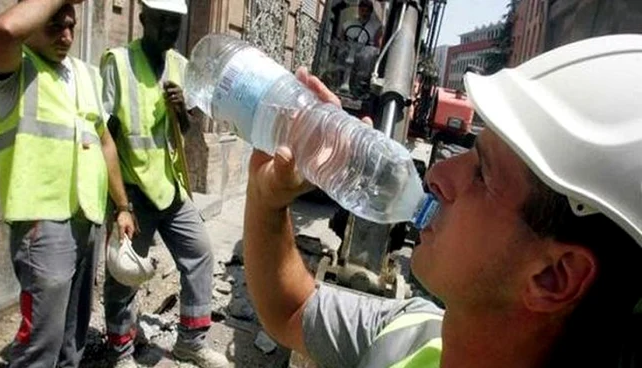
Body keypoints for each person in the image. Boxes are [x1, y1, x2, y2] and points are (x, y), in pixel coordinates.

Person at [243, 34, 642, 368]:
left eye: (483, 175)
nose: (436, 176)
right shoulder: (412, 331)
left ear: (553, 276)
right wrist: (267, 198)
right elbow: (291, 311)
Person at [0, 0, 136, 367]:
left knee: (72, 337)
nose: (65, 36)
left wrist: (122, 207)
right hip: (42, 224)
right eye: (53, 26)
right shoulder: (10, 72)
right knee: (41, 344)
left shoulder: (84, 74)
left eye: (71, 26)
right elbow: (5, 30)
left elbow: (105, 143)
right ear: (31, 22)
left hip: (86, 219)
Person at [100, 1, 229, 367]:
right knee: (124, 274)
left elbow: (187, 132)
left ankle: (191, 341)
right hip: (133, 191)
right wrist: (118, 204)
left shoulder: (180, 66)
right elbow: (104, 134)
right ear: (142, 19)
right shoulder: (118, 63)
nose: (168, 31)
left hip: (170, 188)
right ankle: (121, 351)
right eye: (161, 22)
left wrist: (182, 112)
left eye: (175, 24)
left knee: (200, 253)